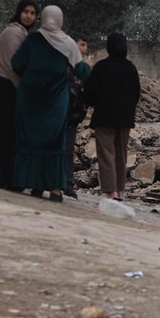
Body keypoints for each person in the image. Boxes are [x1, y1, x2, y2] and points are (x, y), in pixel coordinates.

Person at [11, 5, 91, 202]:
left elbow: (16, 64)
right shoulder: (68, 43)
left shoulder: (32, 40)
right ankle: (55, 189)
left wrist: (32, 76)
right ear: (60, 20)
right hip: (55, 100)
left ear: (42, 18)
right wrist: (89, 68)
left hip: (29, 98)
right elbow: (81, 71)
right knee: (53, 143)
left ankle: (31, 182)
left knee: (30, 139)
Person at [82, 32, 140, 202]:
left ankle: (111, 192)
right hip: (124, 120)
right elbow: (136, 95)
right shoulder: (131, 68)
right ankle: (121, 192)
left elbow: (90, 93)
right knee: (121, 156)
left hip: (104, 118)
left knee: (106, 155)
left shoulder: (101, 67)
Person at [0, 0, 39, 189]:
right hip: (5, 86)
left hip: (8, 86)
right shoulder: (14, 32)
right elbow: (14, 67)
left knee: (7, 132)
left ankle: (6, 176)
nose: (29, 16)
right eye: (26, 11)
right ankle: (2, 177)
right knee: (2, 132)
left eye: (33, 13)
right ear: (19, 12)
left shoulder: (22, 33)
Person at [63, 32, 90, 199]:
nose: (85, 49)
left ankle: (67, 184)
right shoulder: (65, 67)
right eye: (82, 45)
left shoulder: (84, 70)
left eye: (86, 46)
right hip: (59, 115)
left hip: (73, 118)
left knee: (68, 151)